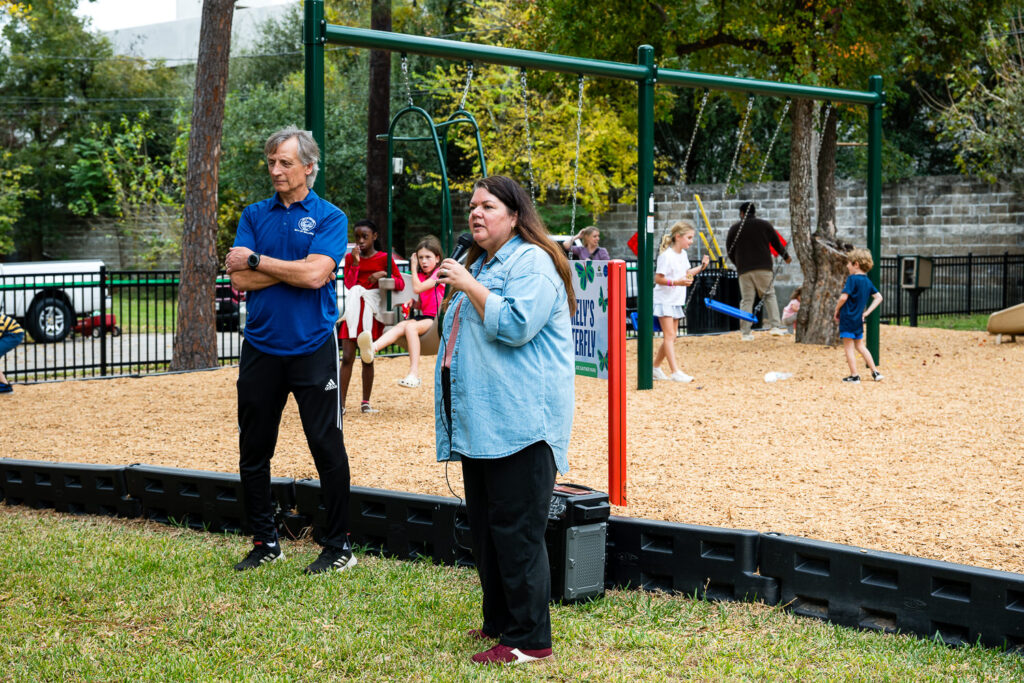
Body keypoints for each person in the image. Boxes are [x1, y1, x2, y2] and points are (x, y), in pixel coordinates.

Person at [434, 175, 575, 666]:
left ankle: (530, 641)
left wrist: (468, 284)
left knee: (516, 532)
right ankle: (500, 622)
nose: (475, 214)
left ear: (514, 216)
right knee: (489, 530)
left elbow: (516, 326)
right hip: (485, 424)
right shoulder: (484, 263)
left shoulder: (532, 264)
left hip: (522, 424)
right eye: (472, 206)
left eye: (487, 206)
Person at [224, 125, 356, 575]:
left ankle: (338, 545)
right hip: (260, 346)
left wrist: (260, 261)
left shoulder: (329, 217)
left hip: (313, 347)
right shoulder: (254, 214)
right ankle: (266, 541)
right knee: (254, 449)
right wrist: (291, 270)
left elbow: (316, 276)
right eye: (271, 162)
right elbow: (238, 280)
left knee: (326, 445)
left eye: (285, 162)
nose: (276, 170)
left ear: (308, 167)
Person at [357, 235, 445, 388]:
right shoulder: (423, 276)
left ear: (437, 258)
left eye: (428, 257)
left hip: (437, 319)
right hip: (426, 316)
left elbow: (417, 288)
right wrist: (415, 304)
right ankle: (372, 348)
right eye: (420, 257)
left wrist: (412, 266)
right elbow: (426, 299)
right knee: (400, 326)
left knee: (410, 327)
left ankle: (414, 374)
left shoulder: (439, 273)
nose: (423, 261)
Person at [338, 218, 405, 413]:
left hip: (370, 311)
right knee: (348, 356)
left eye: (364, 236)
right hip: (353, 310)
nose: (360, 241)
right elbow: (350, 284)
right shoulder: (351, 258)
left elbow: (399, 284)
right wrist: (356, 263)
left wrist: (384, 273)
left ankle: (365, 402)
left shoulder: (384, 257)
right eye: (357, 236)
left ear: (374, 237)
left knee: (368, 357)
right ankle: (340, 404)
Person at [652, 220, 709, 383]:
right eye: (689, 238)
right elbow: (658, 278)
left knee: (672, 336)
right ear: (678, 236)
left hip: (675, 300)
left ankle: (655, 367)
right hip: (664, 300)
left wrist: (701, 267)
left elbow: (686, 273)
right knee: (669, 336)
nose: (691, 241)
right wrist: (676, 283)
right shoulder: (666, 256)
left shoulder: (682, 255)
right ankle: (675, 371)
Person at [725, 202, 792, 340]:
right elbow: (776, 242)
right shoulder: (764, 225)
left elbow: (729, 250)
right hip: (763, 267)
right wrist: (785, 256)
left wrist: (738, 264)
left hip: (744, 270)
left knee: (747, 300)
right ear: (754, 212)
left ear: (742, 213)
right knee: (769, 295)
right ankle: (775, 326)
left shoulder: (734, 229)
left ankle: (745, 333)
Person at [833, 248, 884, 384]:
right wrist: (866, 313)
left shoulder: (852, 279)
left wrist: (837, 309)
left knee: (848, 347)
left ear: (856, 264)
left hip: (848, 317)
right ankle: (875, 372)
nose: (847, 266)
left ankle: (854, 375)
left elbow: (844, 297)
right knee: (861, 346)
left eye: (848, 263)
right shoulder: (867, 281)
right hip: (858, 319)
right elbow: (879, 297)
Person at [0, 313, 25, 394]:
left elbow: (1, 325)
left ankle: (5, 387)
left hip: (14, 334)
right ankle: (4, 385)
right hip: (8, 334)